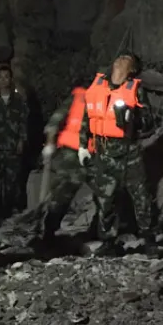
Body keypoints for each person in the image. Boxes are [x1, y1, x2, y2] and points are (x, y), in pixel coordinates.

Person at [79, 52, 156, 249]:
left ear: (132, 70)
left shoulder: (136, 90)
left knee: (141, 197)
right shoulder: (98, 86)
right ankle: (108, 241)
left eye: (126, 60)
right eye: (119, 58)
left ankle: (148, 239)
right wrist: (82, 145)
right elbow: (87, 117)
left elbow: (149, 124)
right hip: (103, 151)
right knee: (105, 199)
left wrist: (134, 117)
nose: (121, 61)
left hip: (129, 152)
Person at [40, 72, 100, 242]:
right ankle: (48, 233)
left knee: (105, 193)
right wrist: (50, 145)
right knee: (62, 195)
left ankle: (99, 232)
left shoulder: (102, 99)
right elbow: (55, 121)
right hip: (71, 154)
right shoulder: (77, 98)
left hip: (94, 153)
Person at [0, 65, 28, 218]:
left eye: (6, 77)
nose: (3, 80)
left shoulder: (19, 101)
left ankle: (10, 209)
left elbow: (23, 122)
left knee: (12, 179)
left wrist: (22, 140)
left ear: (11, 79)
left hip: (12, 145)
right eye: (0, 77)